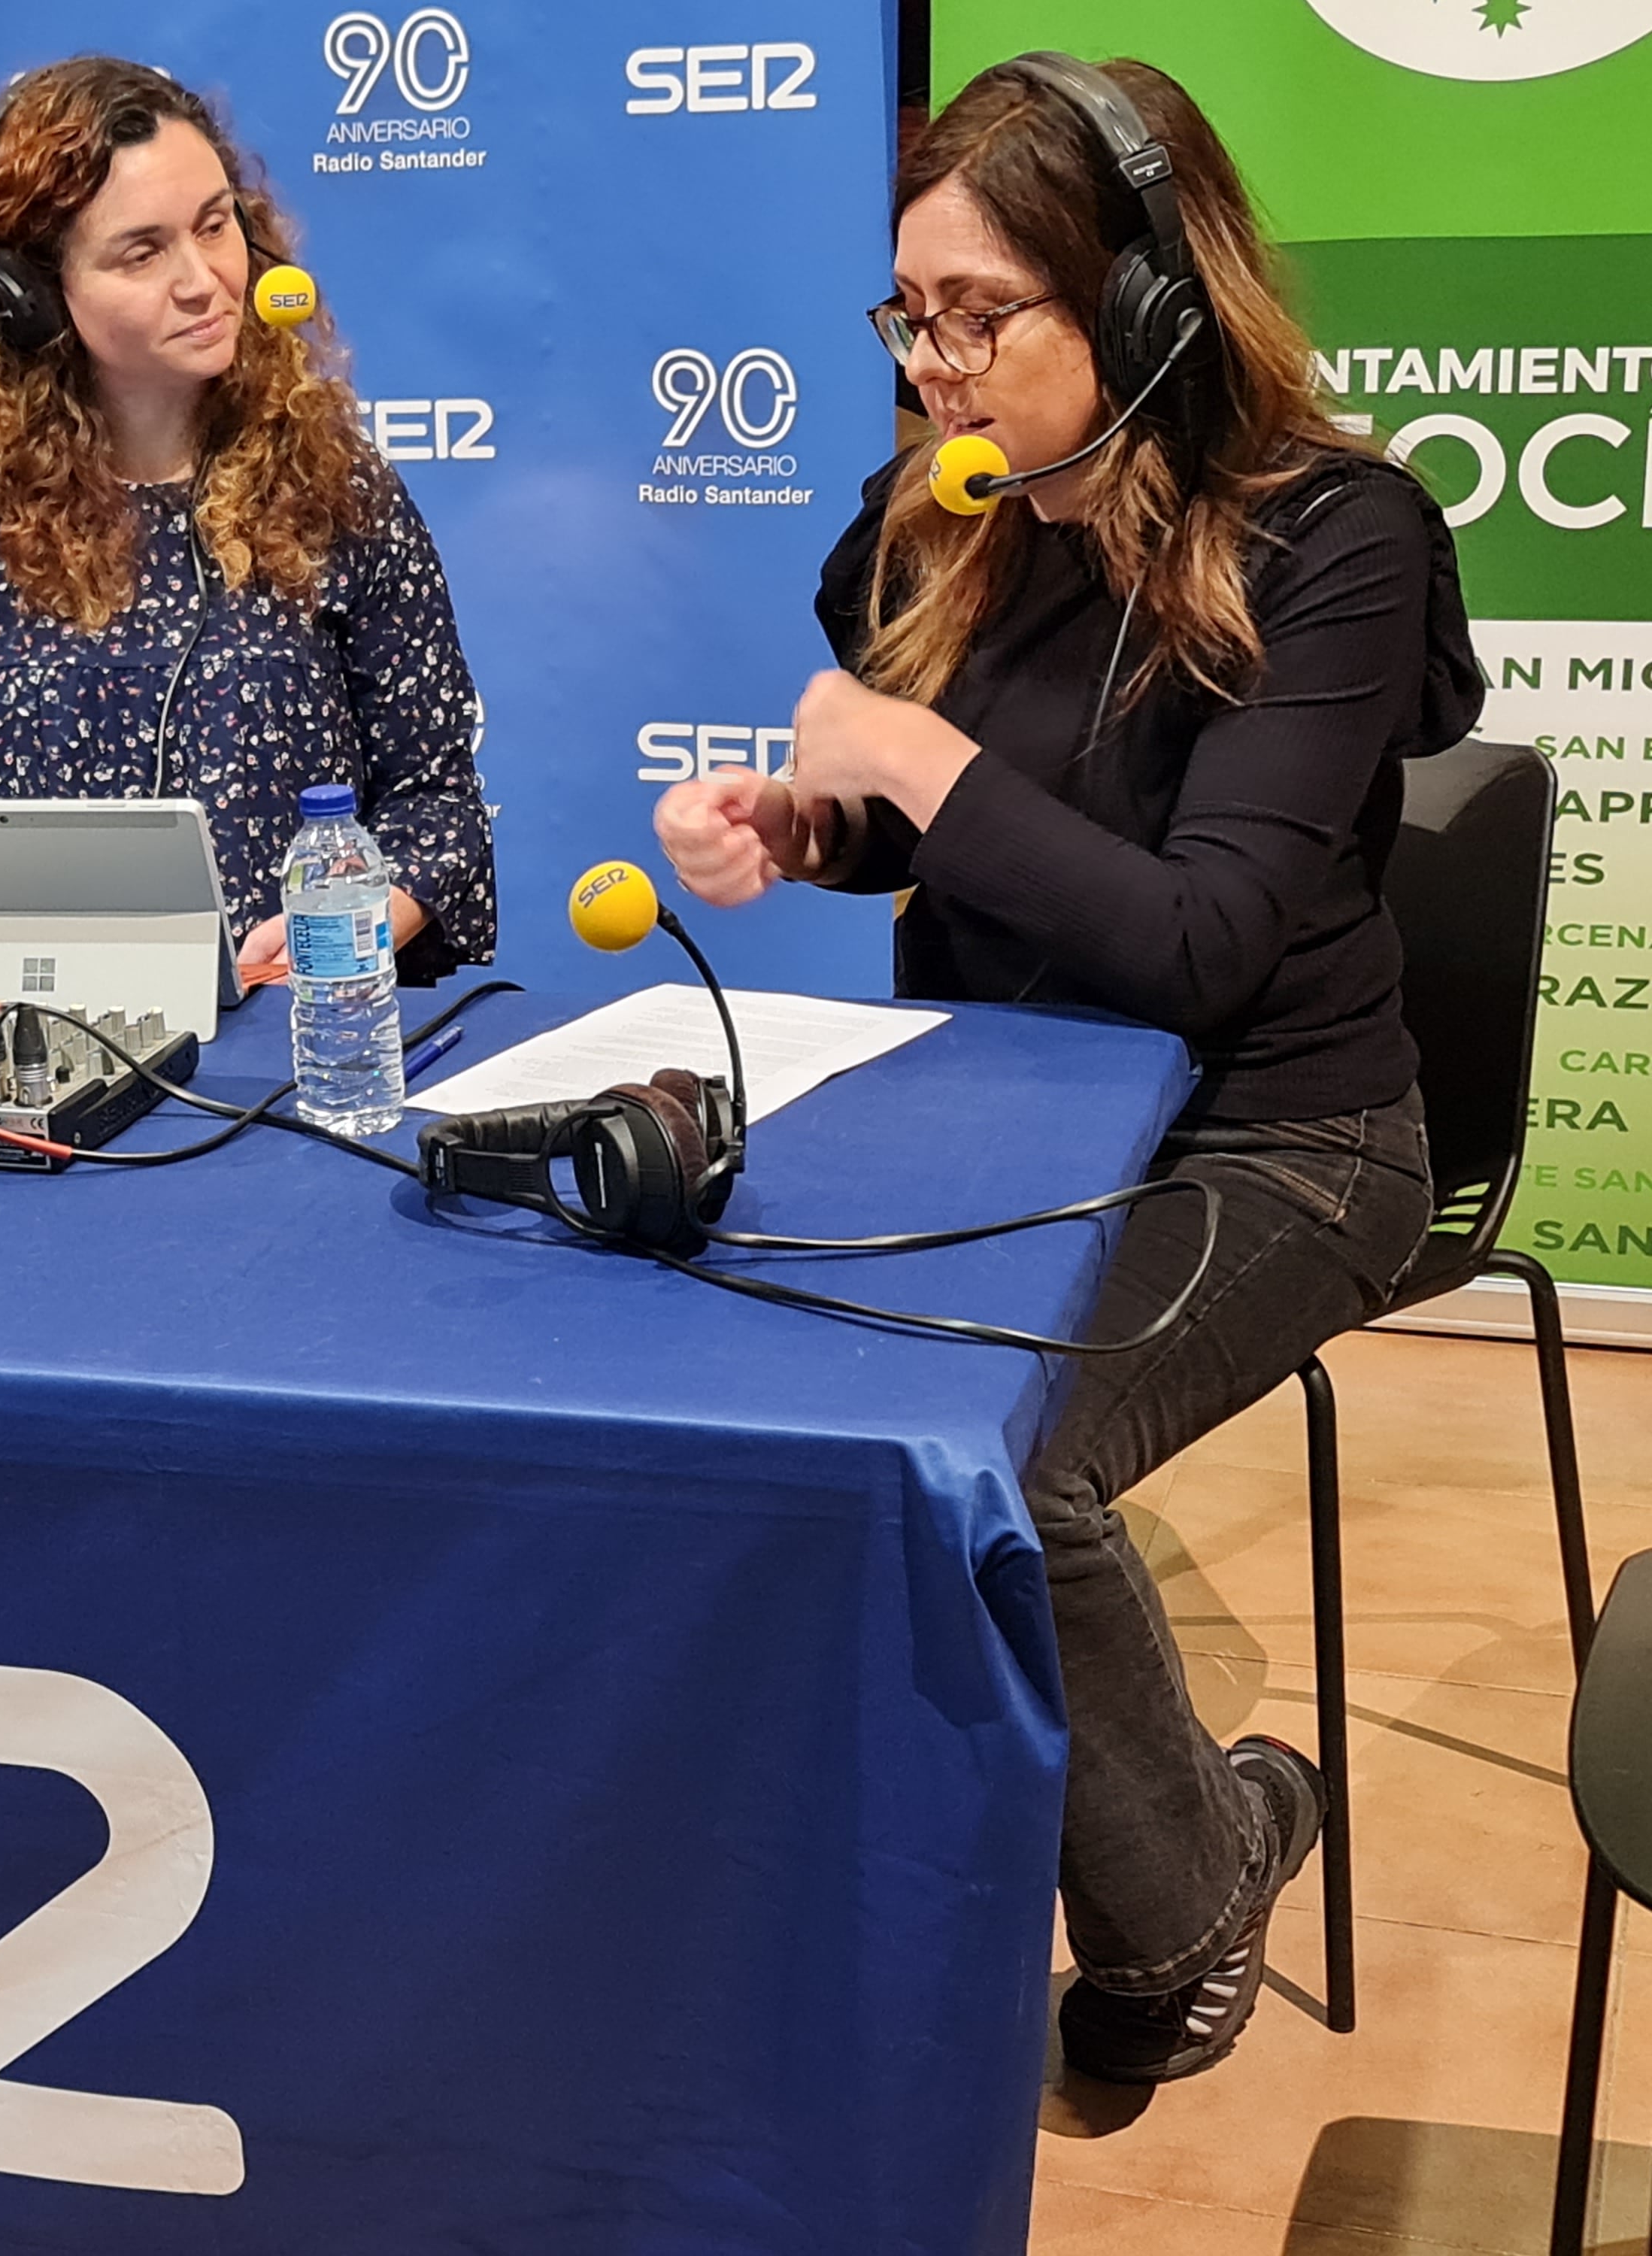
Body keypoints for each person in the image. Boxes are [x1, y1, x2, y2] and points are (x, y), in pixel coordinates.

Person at [653, 55, 1480, 2084]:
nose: (932, 367)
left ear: (1145, 302)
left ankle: (1187, 1904)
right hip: (1008, 1106)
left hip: (1283, 1136)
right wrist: (811, 830)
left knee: (1006, 1454)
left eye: (979, 315)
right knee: (730, 1348)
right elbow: (947, 830)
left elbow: (1200, 944)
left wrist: (906, 760)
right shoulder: (936, 528)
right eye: (909, 314)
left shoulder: (1336, 538)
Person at [0, 56, 495, 982]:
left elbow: (437, 805)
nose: (204, 279)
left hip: (289, 1041)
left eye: (215, 227)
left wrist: (364, 914)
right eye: (142, 251)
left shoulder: (336, 485)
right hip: (23, 1037)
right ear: (31, 297)